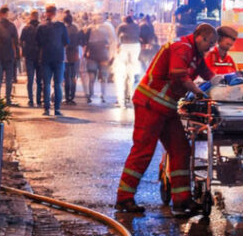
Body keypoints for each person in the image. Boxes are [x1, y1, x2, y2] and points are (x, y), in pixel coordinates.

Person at [115, 24, 216, 215]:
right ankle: (124, 198)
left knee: (181, 149)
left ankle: (182, 200)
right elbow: (178, 74)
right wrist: (198, 92)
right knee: (143, 151)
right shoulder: (182, 48)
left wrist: (222, 82)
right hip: (151, 104)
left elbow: (208, 74)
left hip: (166, 107)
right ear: (199, 37)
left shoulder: (195, 54)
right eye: (209, 43)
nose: (210, 48)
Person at [36, 4, 69, 117]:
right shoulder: (61, 26)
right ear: (55, 13)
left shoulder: (41, 26)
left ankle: (46, 109)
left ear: (46, 13)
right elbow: (66, 42)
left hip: (45, 58)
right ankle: (57, 109)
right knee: (58, 84)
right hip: (58, 58)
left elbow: (38, 43)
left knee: (46, 84)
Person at [85, 15, 115, 103]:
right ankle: (102, 95)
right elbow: (112, 41)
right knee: (102, 77)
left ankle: (92, 95)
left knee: (93, 77)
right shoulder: (108, 27)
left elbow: (86, 42)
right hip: (102, 54)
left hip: (94, 54)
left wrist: (86, 52)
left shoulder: (90, 28)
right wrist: (111, 54)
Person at [115, 14, 142, 107]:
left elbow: (116, 36)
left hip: (125, 46)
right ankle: (133, 72)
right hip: (135, 46)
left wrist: (117, 46)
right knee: (132, 66)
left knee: (124, 68)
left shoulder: (122, 26)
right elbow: (139, 35)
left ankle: (126, 71)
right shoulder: (136, 26)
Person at [19, 11, 42, 107]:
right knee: (39, 80)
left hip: (29, 56)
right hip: (39, 56)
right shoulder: (41, 27)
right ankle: (39, 100)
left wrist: (23, 51)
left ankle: (31, 100)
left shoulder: (26, 28)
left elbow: (21, 41)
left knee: (30, 79)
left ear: (31, 16)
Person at [63, 12, 82, 105]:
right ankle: (72, 96)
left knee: (66, 77)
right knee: (73, 76)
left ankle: (67, 97)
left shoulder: (63, 29)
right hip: (75, 55)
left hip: (66, 55)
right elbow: (79, 41)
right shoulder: (76, 28)